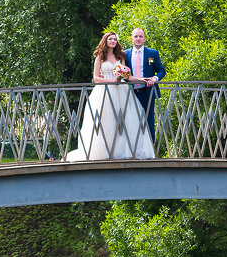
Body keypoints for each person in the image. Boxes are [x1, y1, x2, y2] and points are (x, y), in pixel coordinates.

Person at [65, 31, 155, 161]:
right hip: (104, 91)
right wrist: (111, 81)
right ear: (105, 41)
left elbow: (126, 76)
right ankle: (104, 150)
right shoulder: (99, 58)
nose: (113, 41)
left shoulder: (120, 56)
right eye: (110, 39)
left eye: (114, 39)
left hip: (122, 91)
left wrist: (141, 79)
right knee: (105, 120)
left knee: (124, 119)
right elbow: (95, 78)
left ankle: (123, 149)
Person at [127, 27, 165, 140]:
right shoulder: (125, 54)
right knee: (132, 121)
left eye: (140, 36)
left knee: (149, 121)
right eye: (136, 36)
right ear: (131, 39)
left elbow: (162, 70)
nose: (138, 38)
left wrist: (155, 78)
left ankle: (151, 153)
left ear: (144, 39)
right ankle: (134, 151)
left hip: (148, 91)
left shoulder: (152, 53)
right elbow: (123, 75)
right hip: (131, 92)